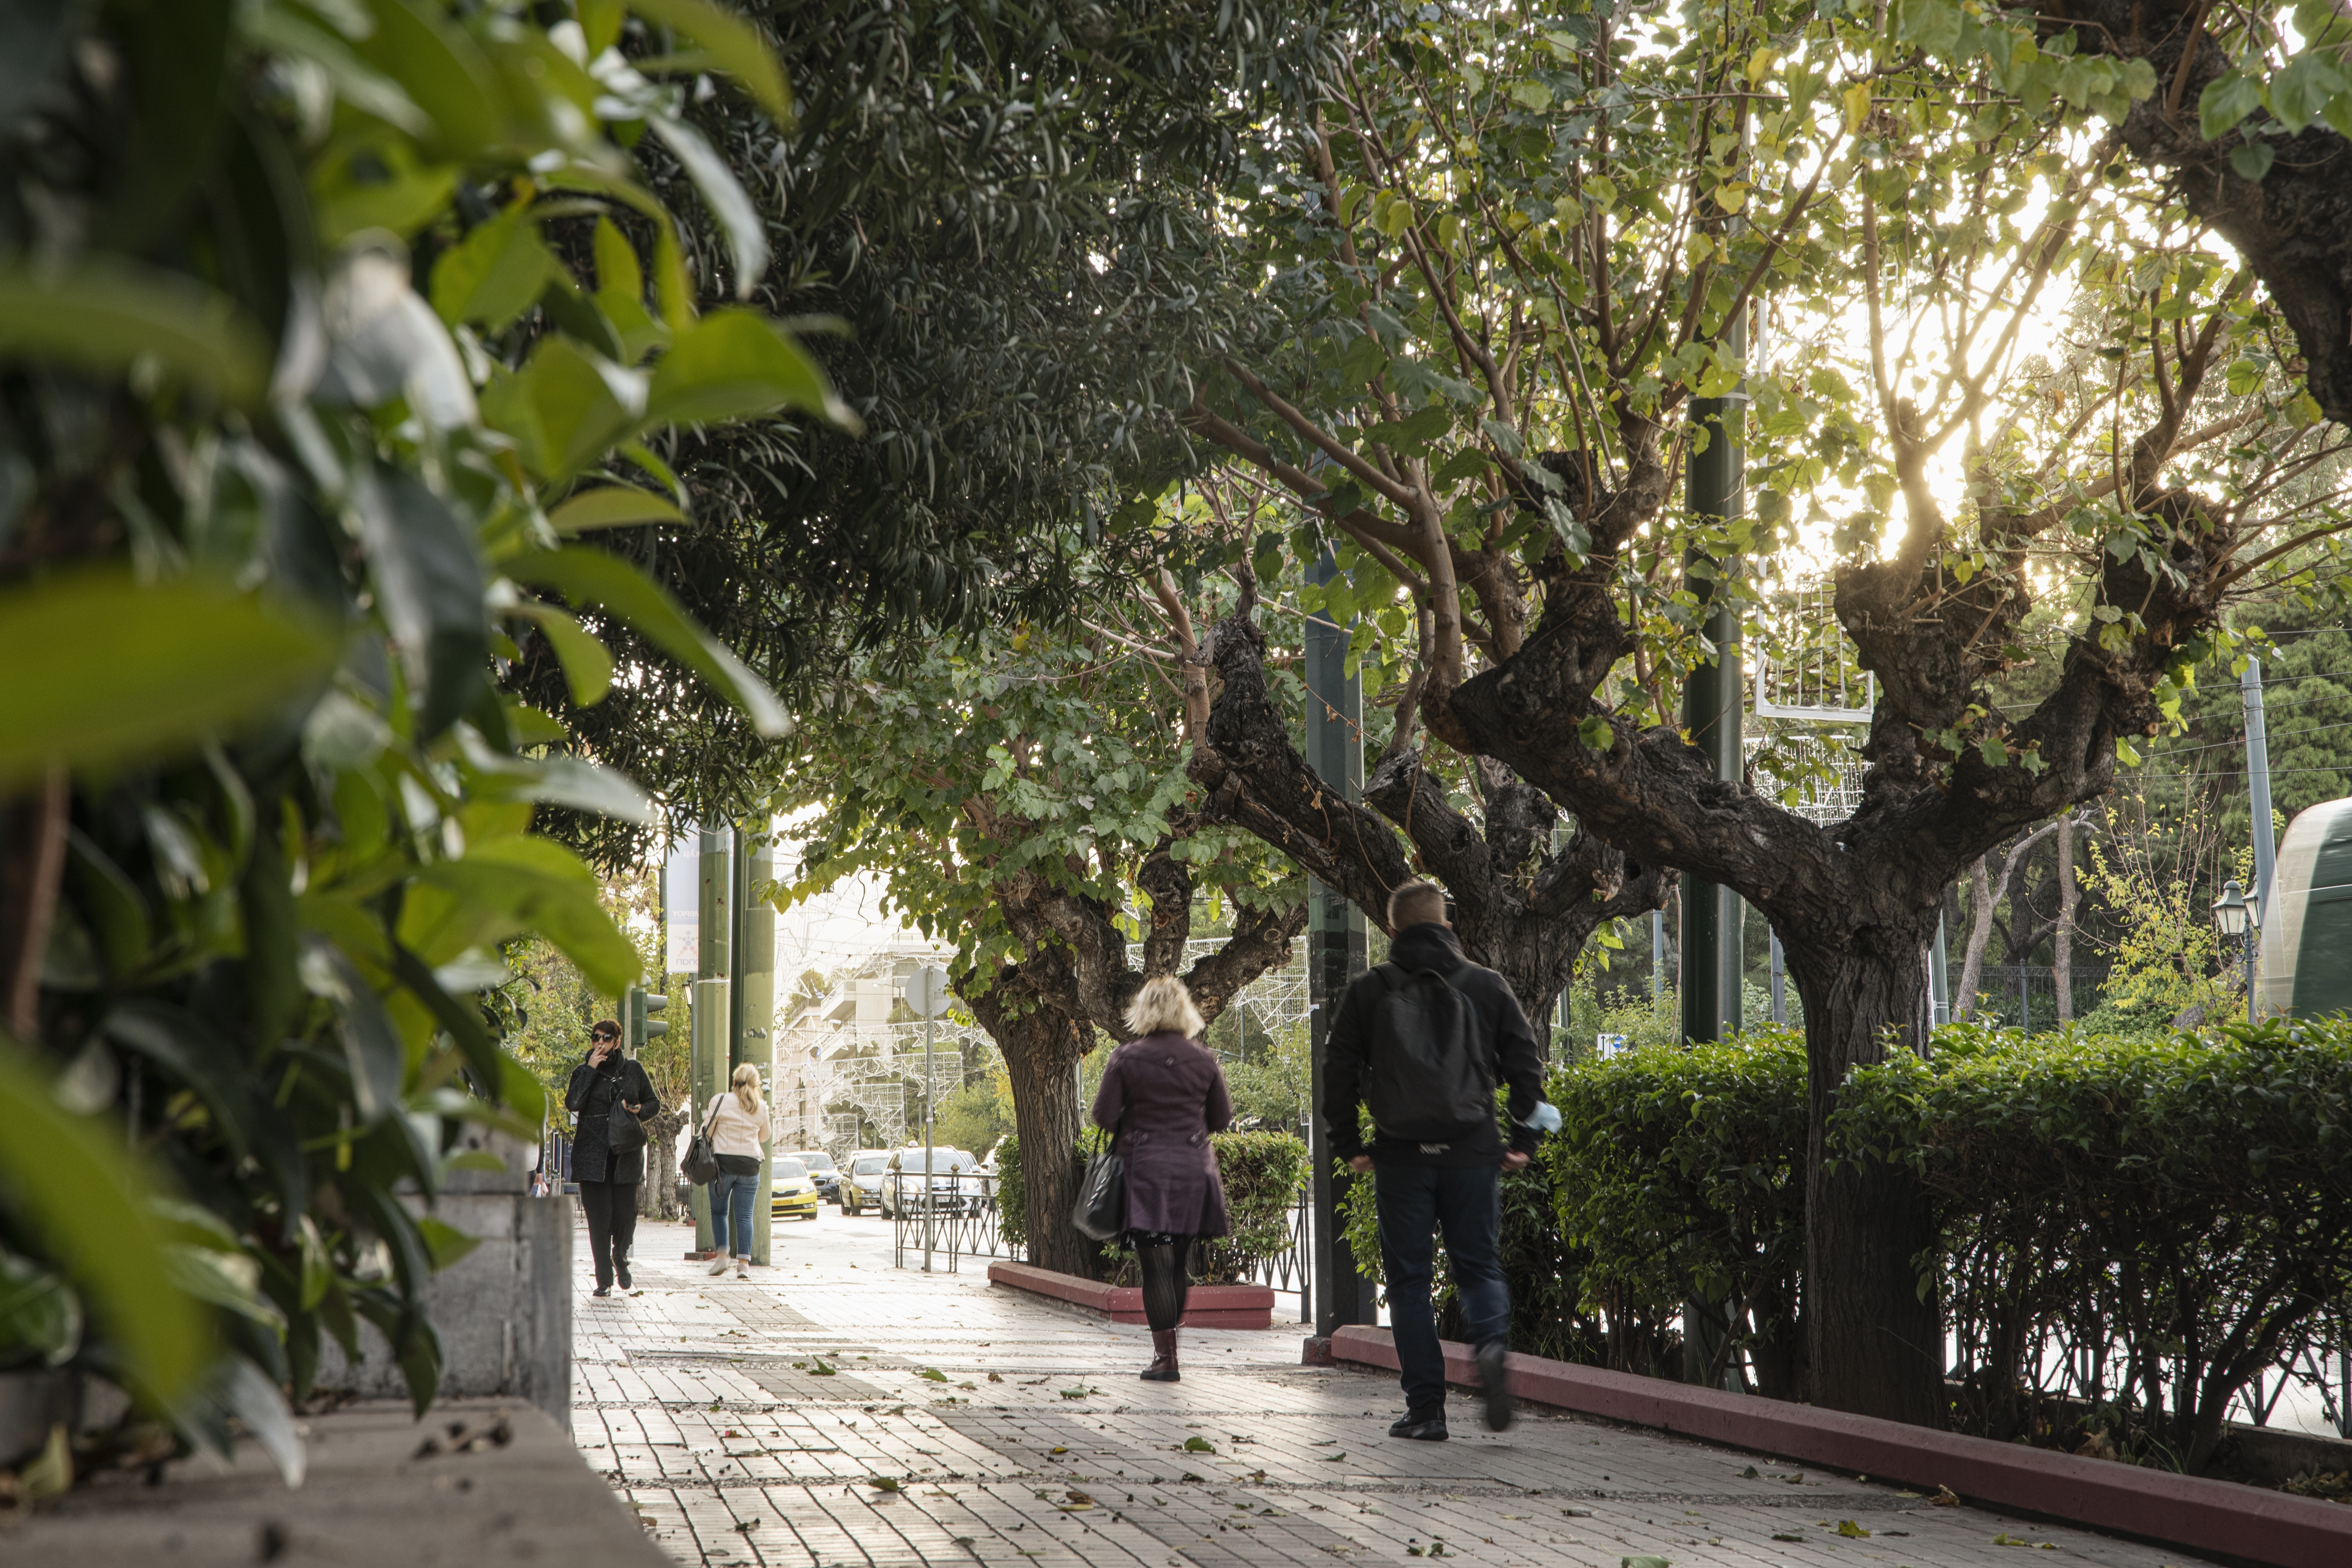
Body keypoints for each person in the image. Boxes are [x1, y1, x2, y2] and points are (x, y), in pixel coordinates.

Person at [1324, 880, 1543, 1440]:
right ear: (1448, 926)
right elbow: (1525, 1064)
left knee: (1409, 1282)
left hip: (1399, 1156)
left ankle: (1426, 1410)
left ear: (1391, 931)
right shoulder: (1487, 986)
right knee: (1479, 1266)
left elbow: (1340, 1071)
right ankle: (1491, 1346)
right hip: (1473, 1151)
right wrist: (1523, 1139)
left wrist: (1350, 1143)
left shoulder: (1369, 990)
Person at [1090, 975, 1233, 1383]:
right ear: (1184, 1011)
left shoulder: (1126, 1057)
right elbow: (1221, 1119)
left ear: (1143, 1011)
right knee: (1178, 1264)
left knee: (1154, 1266)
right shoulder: (1204, 1059)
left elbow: (1103, 1115)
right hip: (1192, 1171)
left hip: (1145, 1171)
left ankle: (1164, 1358)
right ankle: (1170, 1354)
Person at [565, 1020, 662, 1297]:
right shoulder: (583, 1072)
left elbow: (654, 1103)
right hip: (591, 1156)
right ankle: (604, 1280)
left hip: (626, 1156)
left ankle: (620, 1255)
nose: (600, 1043)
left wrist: (637, 1109)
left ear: (617, 1042)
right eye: (596, 1038)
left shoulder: (632, 1070)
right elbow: (573, 1103)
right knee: (599, 1222)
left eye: (606, 1038)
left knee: (625, 1218)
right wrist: (591, 1069)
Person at [703, 1062, 769, 1279]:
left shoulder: (720, 1101)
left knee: (720, 1212)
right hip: (750, 1166)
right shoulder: (761, 1106)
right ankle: (743, 1265)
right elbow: (764, 1136)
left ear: (734, 1082)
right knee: (745, 1216)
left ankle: (722, 1255)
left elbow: (707, 1131)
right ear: (756, 1084)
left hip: (723, 1167)